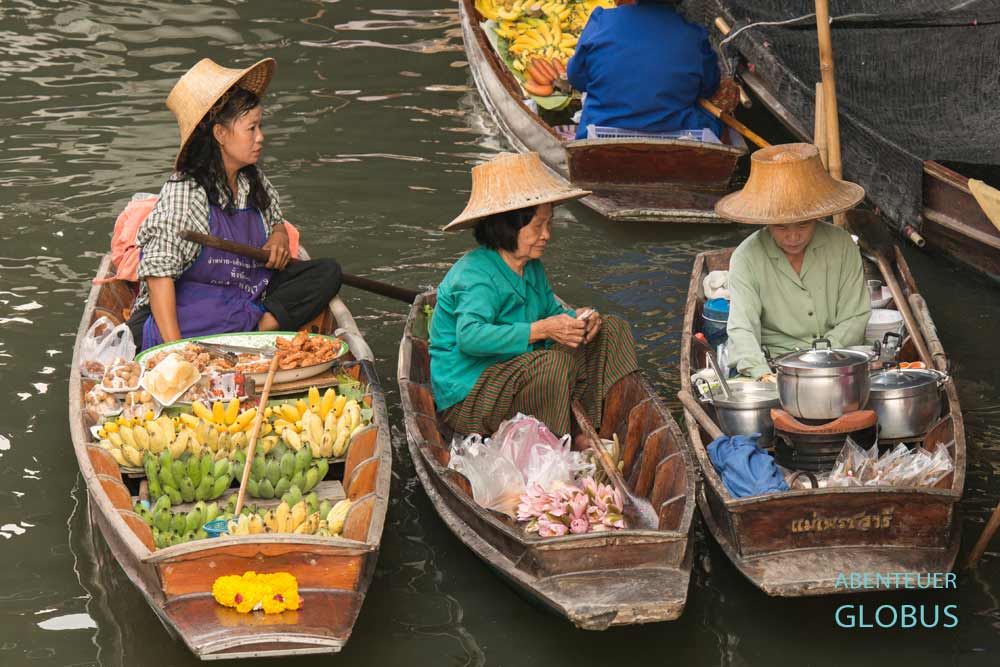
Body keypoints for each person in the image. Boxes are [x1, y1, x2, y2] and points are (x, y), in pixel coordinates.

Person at [127, 57, 342, 350]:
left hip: (238, 299)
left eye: (260, 127)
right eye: (251, 128)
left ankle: (260, 328)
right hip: (184, 316)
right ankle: (245, 333)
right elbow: (158, 274)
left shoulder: (252, 181)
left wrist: (278, 235)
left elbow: (275, 217)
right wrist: (176, 352)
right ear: (220, 134)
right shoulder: (187, 191)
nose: (260, 137)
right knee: (200, 311)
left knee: (326, 273)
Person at [430, 152, 639, 436]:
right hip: (470, 395)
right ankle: (552, 448)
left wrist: (579, 319)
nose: (547, 235)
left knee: (612, 330)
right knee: (553, 364)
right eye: (538, 226)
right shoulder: (476, 276)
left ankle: (597, 431)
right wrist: (541, 330)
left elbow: (551, 314)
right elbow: (470, 337)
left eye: (548, 223)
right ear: (507, 227)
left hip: (517, 371)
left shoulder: (531, 267)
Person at [716, 143, 870, 380]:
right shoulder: (746, 257)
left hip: (839, 357)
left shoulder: (841, 244)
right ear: (766, 222)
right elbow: (743, 327)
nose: (793, 236)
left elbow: (855, 317)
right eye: (781, 227)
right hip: (777, 362)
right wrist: (762, 374)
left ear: (816, 217)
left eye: (803, 224)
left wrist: (820, 359)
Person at [566, 0, 729, 140]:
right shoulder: (695, 36)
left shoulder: (601, 21)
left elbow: (576, 78)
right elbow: (709, 87)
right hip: (680, 139)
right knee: (715, 116)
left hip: (599, 135)